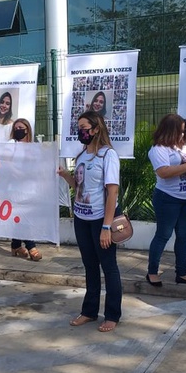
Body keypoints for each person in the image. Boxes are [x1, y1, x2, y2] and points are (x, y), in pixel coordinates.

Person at [58, 110, 122, 333]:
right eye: (79, 128)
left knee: (109, 267)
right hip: (81, 218)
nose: (80, 132)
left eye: (84, 128)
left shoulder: (108, 156)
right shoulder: (83, 154)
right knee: (90, 266)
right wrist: (66, 176)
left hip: (99, 220)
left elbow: (112, 193)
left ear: (96, 130)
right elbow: (80, 188)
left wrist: (106, 226)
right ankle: (89, 311)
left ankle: (113, 314)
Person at [145, 114, 186, 287]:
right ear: (169, 130)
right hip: (167, 198)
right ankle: (152, 272)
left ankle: (182, 273)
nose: (182, 135)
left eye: (184, 131)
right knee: (163, 235)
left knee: (184, 234)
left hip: (185, 198)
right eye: (179, 131)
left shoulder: (182, 147)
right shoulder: (158, 149)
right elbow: (163, 172)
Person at [8, 118, 42, 261]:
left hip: (31, 188)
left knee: (21, 218)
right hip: (15, 188)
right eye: (15, 128)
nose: (18, 130)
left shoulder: (35, 147)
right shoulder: (11, 145)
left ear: (27, 129)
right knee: (24, 217)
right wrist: (17, 172)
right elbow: (6, 162)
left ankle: (15, 245)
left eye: (20, 127)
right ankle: (31, 246)